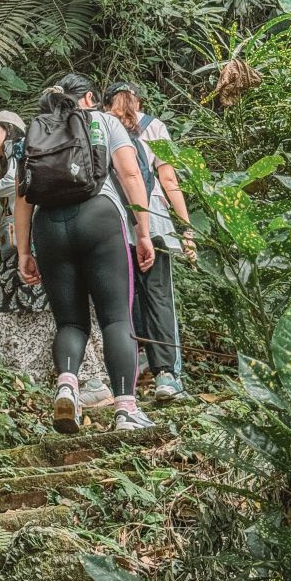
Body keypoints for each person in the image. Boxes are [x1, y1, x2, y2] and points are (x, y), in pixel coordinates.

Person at [15, 74, 156, 434]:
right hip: (100, 217)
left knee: (71, 322)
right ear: (90, 97)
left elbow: (22, 198)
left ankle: (67, 386)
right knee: (115, 319)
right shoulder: (105, 121)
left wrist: (23, 252)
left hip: (49, 226)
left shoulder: (35, 131)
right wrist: (143, 231)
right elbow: (129, 174)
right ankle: (126, 409)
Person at [0, 110, 110, 397]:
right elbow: (7, 218)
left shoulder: (22, 152)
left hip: (29, 252)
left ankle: (88, 380)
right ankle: (41, 380)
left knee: (43, 312)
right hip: (18, 252)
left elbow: (12, 186)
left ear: (7, 129)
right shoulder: (12, 161)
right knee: (23, 312)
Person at [103, 81, 195, 402]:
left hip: (113, 220)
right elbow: (168, 178)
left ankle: (128, 372)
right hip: (153, 217)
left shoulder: (102, 125)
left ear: (106, 103)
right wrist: (186, 229)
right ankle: (167, 376)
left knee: (125, 298)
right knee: (158, 295)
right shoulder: (154, 125)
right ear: (137, 100)